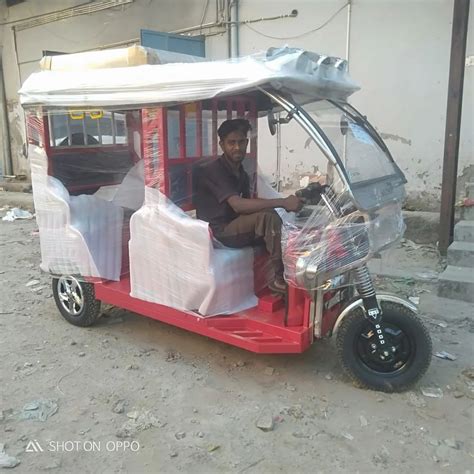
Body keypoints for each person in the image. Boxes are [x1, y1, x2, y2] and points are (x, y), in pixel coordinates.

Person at [194, 118, 303, 293]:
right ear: (222, 144)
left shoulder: (241, 172)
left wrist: (288, 203)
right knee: (268, 217)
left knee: (276, 220)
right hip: (219, 231)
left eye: (241, 142)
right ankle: (278, 278)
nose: (237, 147)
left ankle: (296, 269)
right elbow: (238, 205)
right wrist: (283, 202)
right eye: (232, 143)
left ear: (247, 142)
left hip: (234, 224)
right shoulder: (214, 171)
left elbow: (248, 204)